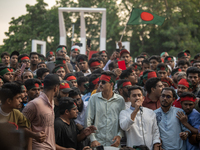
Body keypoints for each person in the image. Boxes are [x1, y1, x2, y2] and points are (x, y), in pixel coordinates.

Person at [85, 71, 125, 147]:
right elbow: (88, 120)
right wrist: (93, 139)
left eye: (103, 82)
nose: (100, 84)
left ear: (111, 84)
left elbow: (122, 122)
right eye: (99, 82)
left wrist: (119, 136)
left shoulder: (120, 100)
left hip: (113, 143)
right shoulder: (94, 98)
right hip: (97, 142)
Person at [22, 74, 60, 150]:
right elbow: (18, 126)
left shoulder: (52, 103)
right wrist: (34, 135)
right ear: (56, 88)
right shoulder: (35, 104)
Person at [119, 86, 160, 150]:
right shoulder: (124, 113)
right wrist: (135, 111)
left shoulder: (151, 112)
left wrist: (156, 144)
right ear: (129, 99)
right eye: (134, 96)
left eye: (139, 95)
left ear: (143, 98)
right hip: (132, 148)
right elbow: (124, 127)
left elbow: (155, 131)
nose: (137, 98)